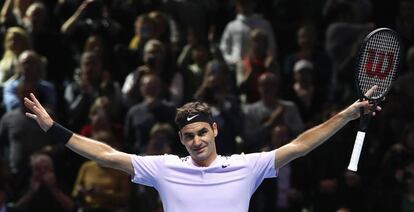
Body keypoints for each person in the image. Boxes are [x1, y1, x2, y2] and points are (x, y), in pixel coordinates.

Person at [23, 86, 380, 212]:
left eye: (201, 133)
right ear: (182, 140)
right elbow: (105, 154)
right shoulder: (164, 168)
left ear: (215, 130)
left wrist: (348, 114)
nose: (196, 141)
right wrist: (54, 128)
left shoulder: (246, 166)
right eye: (189, 136)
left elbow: (300, 145)